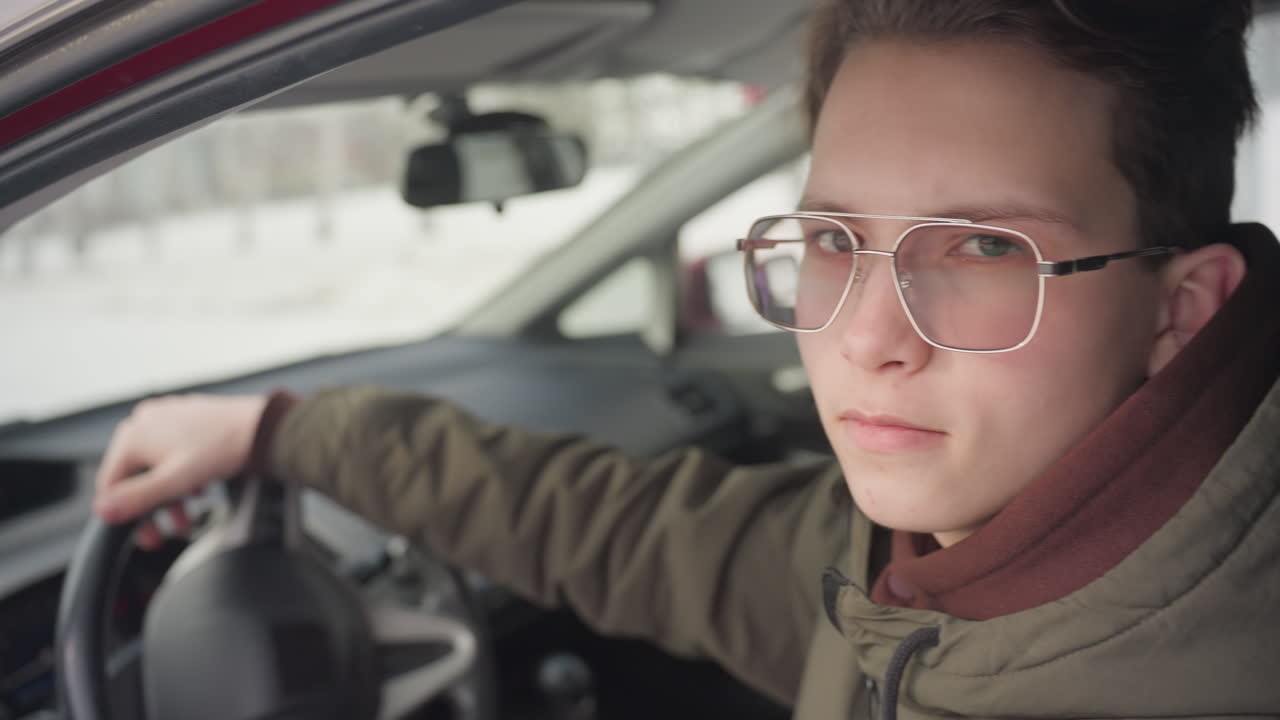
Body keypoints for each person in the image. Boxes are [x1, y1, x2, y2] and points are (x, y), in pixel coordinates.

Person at [94, 1, 1280, 717]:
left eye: (979, 244)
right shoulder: (900, 562)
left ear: (1177, 312)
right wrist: (282, 433)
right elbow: (618, 528)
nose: (865, 340)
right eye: (830, 240)